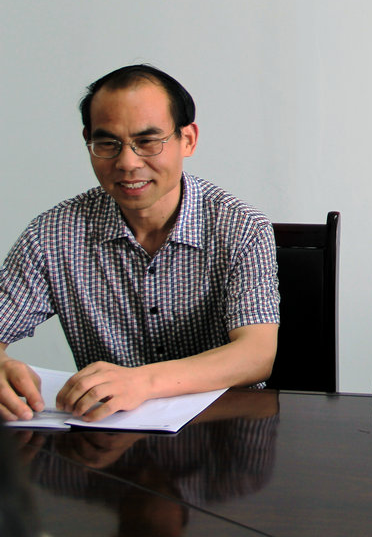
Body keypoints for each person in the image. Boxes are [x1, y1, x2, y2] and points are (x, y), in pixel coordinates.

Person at [0, 65, 279, 424]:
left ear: (188, 139)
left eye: (147, 142)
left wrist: (142, 382)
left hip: (223, 433)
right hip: (106, 437)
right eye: (107, 144)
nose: (127, 162)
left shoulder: (241, 227)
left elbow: (256, 354)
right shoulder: (53, 234)